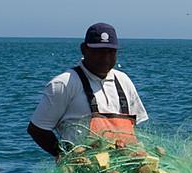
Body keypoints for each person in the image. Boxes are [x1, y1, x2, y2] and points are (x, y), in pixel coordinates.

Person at [26, 22, 149, 156]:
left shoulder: (124, 80)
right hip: (83, 172)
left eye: (111, 52)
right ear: (84, 49)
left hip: (125, 171)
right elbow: (37, 129)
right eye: (99, 52)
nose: (106, 58)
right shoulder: (63, 84)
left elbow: (134, 128)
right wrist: (64, 156)